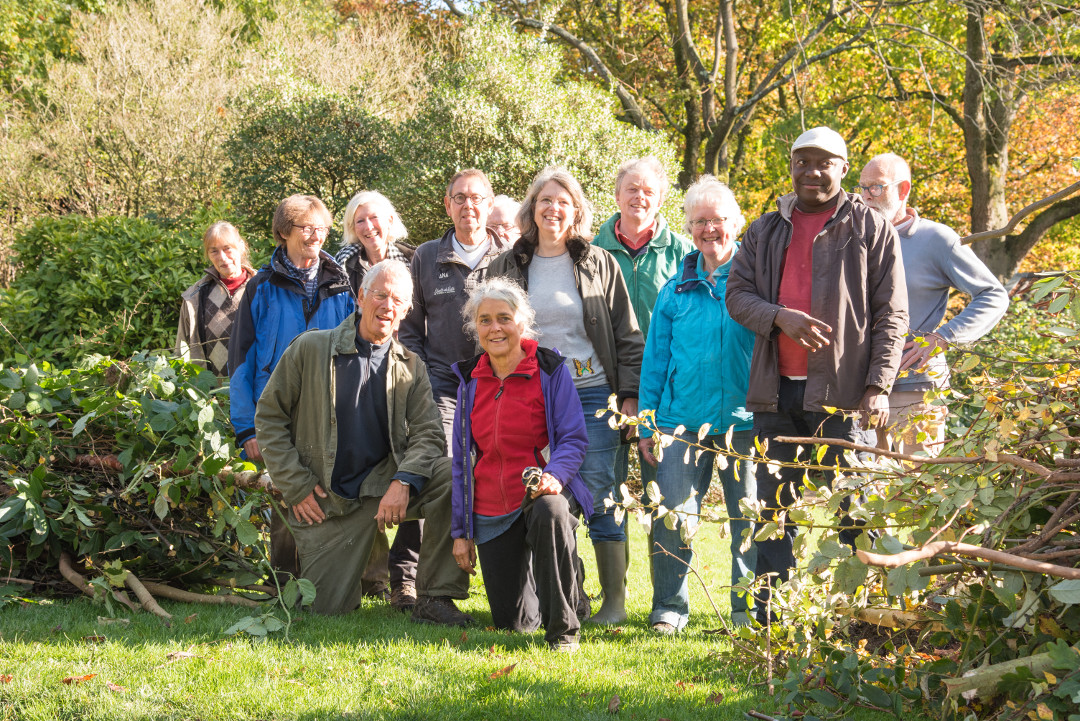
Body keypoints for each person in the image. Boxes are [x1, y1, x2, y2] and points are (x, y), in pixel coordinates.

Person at [725, 127, 908, 625]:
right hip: (775, 394)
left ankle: (861, 619)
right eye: (802, 161)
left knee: (853, 513)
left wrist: (878, 385)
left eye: (823, 162)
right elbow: (736, 295)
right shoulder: (765, 230)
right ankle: (771, 623)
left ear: (843, 168)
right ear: (791, 166)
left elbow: (892, 314)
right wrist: (780, 316)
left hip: (843, 398)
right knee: (773, 513)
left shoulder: (871, 228)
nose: (812, 171)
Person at [254, 260, 473, 623]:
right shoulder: (311, 348)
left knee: (452, 476)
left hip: (383, 488)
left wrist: (404, 481)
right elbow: (269, 416)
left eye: (397, 300)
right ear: (360, 297)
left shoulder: (411, 366)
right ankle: (349, 569)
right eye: (380, 294)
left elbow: (429, 434)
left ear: (405, 312)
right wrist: (297, 485)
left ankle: (435, 597)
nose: (387, 305)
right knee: (320, 609)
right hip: (327, 500)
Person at [489, 166, 644, 625]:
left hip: (592, 393)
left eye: (563, 201)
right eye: (545, 200)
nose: (553, 209)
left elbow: (627, 334)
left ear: (576, 210)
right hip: (528, 394)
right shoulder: (508, 265)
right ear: (531, 208)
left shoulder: (599, 261)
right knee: (542, 492)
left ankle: (613, 604)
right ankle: (565, 592)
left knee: (600, 490)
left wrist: (629, 395)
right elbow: (491, 327)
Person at [637, 176, 757, 632]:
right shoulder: (675, 290)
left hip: (744, 424)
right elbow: (654, 363)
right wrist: (648, 425)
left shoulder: (755, 282)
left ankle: (747, 612)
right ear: (688, 227)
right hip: (679, 423)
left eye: (718, 220)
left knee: (748, 520)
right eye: (700, 221)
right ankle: (670, 607)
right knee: (671, 518)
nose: (710, 229)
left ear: (736, 223)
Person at [450, 277, 592, 651]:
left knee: (551, 511)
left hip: (537, 494)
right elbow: (462, 462)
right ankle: (557, 577)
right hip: (492, 509)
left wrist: (554, 476)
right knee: (514, 623)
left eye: (504, 318)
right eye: (484, 320)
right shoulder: (469, 380)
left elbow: (574, 438)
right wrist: (461, 531)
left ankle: (564, 631)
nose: (495, 328)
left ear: (521, 323)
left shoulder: (549, 369)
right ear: (475, 327)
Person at [227, 195, 357, 581]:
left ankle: (365, 579)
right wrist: (246, 427)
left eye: (321, 229)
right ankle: (285, 578)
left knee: (345, 489)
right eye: (306, 228)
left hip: (334, 408)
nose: (316, 236)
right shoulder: (261, 288)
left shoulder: (342, 285)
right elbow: (240, 362)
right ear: (284, 232)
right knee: (286, 492)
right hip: (277, 411)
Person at [858, 153, 1009, 455]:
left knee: (916, 491)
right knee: (861, 492)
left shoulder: (936, 239)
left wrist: (942, 338)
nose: (865, 197)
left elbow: (993, 294)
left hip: (913, 386)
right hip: (857, 387)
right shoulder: (853, 237)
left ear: (903, 190)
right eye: (861, 187)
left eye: (876, 188)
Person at [592, 156, 694, 539]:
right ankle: (613, 590)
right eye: (632, 189)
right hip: (606, 387)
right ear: (617, 194)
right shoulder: (589, 251)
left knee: (664, 493)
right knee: (606, 492)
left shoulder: (685, 254)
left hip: (666, 390)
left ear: (662, 198)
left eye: (649, 191)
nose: (639, 197)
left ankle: (666, 597)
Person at [335, 189, 423, 612]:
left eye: (376, 218)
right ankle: (370, 572)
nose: (369, 227)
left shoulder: (416, 259)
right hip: (357, 370)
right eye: (359, 220)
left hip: (406, 370)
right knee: (362, 464)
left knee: (411, 465)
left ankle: (403, 578)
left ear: (391, 219)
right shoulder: (340, 267)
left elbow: (419, 321)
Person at [398, 169, 512, 444]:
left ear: (489, 204)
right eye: (459, 198)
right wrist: (423, 378)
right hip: (444, 386)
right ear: (448, 205)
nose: (468, 206)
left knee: (494, 468)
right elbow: (409, 330)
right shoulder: (426, 256)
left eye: (476, 197)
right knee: (447, 467)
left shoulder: (510, 257)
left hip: (500, 384)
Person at [176, 221, 255, 377]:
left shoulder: (263, 288)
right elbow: (181, 350)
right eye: (214, 251)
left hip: (257, 391)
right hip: (211, 395)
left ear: (241, 246)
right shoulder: (195, 297)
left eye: (227, 249)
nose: (222, 258)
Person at [335, 190, 416, 298]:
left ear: (389, 220)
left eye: (374, 217)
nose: (368, 226)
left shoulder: (414, 261)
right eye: (360, 221)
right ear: (353, 228)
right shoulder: (343, 263)